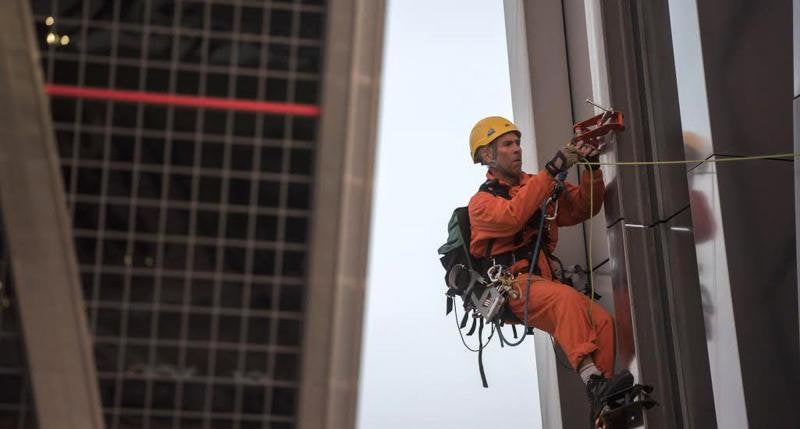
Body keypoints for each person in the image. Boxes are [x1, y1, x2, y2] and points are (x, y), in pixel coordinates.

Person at [466, 116, 633, 418]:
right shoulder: (481, 203)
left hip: (542, 283)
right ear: (487, 156)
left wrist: (592, 168)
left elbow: (585, 206)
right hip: (512, 287)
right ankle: (594, 382)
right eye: (507, 144)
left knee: (601, 322)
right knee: (565, 300)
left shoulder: (537, 184)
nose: (517, 149)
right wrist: (552, 170)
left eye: (517, 143)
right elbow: (512, 217)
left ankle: (606, 405)